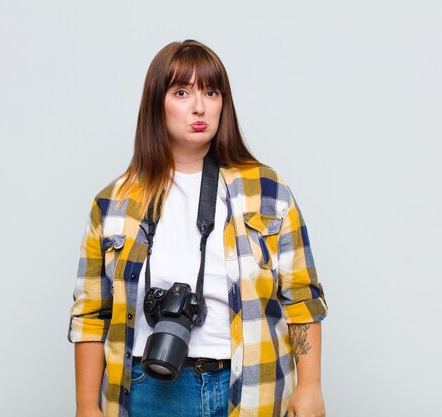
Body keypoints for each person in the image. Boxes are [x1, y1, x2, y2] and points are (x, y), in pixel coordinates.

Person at [68, 39, 328, 417]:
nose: (199, 106)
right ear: (157, 104)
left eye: (211, 91)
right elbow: (91, 316)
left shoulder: (268, 191)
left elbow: (302, 299)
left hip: (252, 388)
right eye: (181, 92)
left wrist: (310, 386)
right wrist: (85, 406)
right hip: (147, 388)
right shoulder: (113, 204)